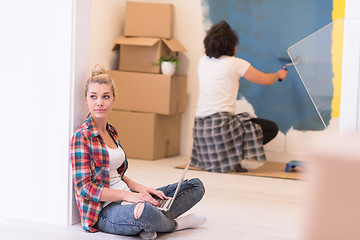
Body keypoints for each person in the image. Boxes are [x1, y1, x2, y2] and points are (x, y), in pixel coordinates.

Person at [70, 64, 206, 240]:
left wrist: (143, 189)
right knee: (145, 212)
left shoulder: (112, 131)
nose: (99, 103)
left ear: (113, 99)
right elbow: (85, 189)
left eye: (105, 97)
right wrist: (131, 197)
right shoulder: (81, 137)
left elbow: (117, 174)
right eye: (93, 97)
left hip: (129, 197)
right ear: (86, 99)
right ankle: (176, 225)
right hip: (105, 211)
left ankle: (147, 225)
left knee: (195, 186)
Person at [191, 20, 288, 173]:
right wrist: (279, 74)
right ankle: (231, 160)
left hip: (200, 130)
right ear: (232, 46)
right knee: (270, 128)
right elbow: (266, 80)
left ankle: (228, 160)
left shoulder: (203, 62)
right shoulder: (235, 63)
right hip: (219, 127)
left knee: (242, 122)